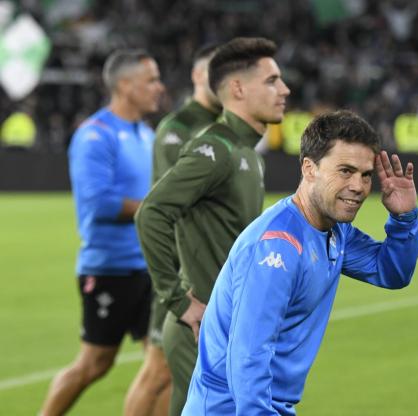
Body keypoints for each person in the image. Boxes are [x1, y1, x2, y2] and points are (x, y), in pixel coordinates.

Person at [182, 109, 418, 415]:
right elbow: (248, 357)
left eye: (365, 175)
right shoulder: (278, 248)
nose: (359, 187)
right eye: (345, 171)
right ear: (309, 169)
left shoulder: (335, 231)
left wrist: (404, 219)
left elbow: (391, 272)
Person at [135, 37, 290, 416]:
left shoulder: (246, 153)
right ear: (238, 88)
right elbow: (151, 212)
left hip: (228, 326)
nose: (284, 90)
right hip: (199, 330)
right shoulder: (217, 149)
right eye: (271, 81)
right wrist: (176, 299)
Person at [39, 49, 164, 416]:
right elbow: (99, 203)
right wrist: (158, 209)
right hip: (111, 268)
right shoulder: (96, 135)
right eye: (151, 80)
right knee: (95, 364)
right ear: (125, 85)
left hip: (151, 267)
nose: (159, 87)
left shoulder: (147, 133)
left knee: (164, 365)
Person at [124, 44, 221, 416]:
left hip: (209, 270)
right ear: (198, 76)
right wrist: (176, 282)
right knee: (157, 370)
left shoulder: (230, 127)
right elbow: (164, 209)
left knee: (179, 376)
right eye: (215, 70)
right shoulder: (177, 130)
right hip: (181, 273)